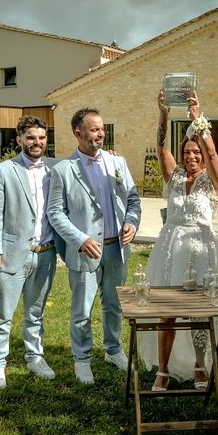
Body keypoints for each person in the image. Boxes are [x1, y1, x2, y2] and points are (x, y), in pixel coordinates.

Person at [137, 91, 218, 391]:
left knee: (199, 312)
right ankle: (163, 370)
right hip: (170, 248)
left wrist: (198, 121)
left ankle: (200, 366)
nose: (191, 156)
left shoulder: (212, 182)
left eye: (195, 151)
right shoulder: (174, 179)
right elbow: (160, 148)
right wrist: (163, 115)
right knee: (167, 311)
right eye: (187, 152)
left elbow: (212, 155)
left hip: (201, 250)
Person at [47, 107, 141, 384]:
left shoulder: (117, 163)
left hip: (117, 250)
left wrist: (132, 224)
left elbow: (133, 199)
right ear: (78, 133)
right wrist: (79, 239)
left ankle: (113, 350)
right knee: (82, 311)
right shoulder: (63, 170)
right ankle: (82, 359)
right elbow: (55, 213)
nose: (101, 134)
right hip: (85, 251)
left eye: (102, 129)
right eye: (94, 129)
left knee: (113, 305)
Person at [0, 115, 61, 390]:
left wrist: (106, 154)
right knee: (3, 314)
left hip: (46, 253)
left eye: (41, 137)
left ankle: (35, 357)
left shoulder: (56, 168)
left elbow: (83, 167)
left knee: (36, 312)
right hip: (10, 254)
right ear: (19, 139)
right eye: (30, 137)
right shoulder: (5, 170)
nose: (36, 142)